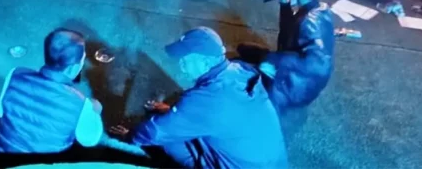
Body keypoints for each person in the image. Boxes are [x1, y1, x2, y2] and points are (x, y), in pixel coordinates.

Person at [110, 27, 288, 168]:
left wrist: (130, 136)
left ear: (205, 62)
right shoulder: (239, 70)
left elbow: (155, 131)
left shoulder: (207, 98)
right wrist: (175, 112)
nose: (180, 65)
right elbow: (216, 114)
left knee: (168, 140)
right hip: (270, 162)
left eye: (185, 60)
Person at [242, 0, 335, 111]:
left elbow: (318, 64)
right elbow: (288, 31)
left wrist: (274, 60)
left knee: (242, 78)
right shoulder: (319, 8)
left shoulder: (309, 22)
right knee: (244, 49)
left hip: (294, 88)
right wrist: (285, 4)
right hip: (293, 67)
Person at [0, 28, 103, 153]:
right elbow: (89, 140)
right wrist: (95, 110)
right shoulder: (81, 105)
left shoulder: (15, 74)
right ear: (74, 67)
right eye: (83, 59)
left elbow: (1, 111)